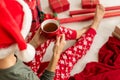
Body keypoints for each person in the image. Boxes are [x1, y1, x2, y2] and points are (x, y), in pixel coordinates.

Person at [24, 1, 105, 80]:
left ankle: (76, 34)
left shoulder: (13, 59)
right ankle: (95, 25)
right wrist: (56, 54)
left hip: (23, 71)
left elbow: (19, 60)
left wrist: (33, 44)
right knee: (68, 57)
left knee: (42, 31)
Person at [0, 0, 66, 80]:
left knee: (41, 34)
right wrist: (56, 54)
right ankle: (82, 36)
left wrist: (34, 43)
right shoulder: (23, 76)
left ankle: (78, 34)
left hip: (20, 64)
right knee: (66, 58)